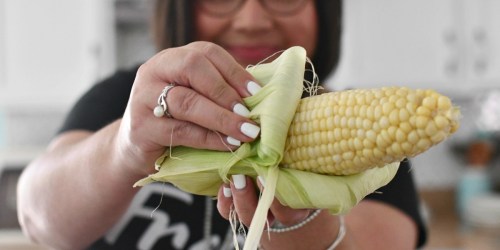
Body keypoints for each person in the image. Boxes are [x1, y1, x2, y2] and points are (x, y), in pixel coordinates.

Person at [17, 0, 427, 249]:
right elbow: (38, 219)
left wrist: (298, 227)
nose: (251, 19)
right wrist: (125, 146)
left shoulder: (376, 144)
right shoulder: (125, 98)